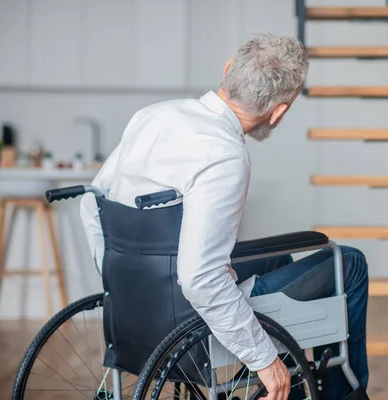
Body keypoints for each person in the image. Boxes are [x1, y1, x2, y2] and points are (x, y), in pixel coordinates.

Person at [80, 32, 369, 400]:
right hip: (187, 315)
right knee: (350, 263)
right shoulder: (224, 154)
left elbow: (91, 204)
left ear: (229, 69)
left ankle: (295, 386)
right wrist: (264, 359)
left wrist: (122, 284)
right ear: (279, 111)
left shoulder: (153, 116)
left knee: (277, 259)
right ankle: (339, 395)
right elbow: (200, 278)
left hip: (136, 305)